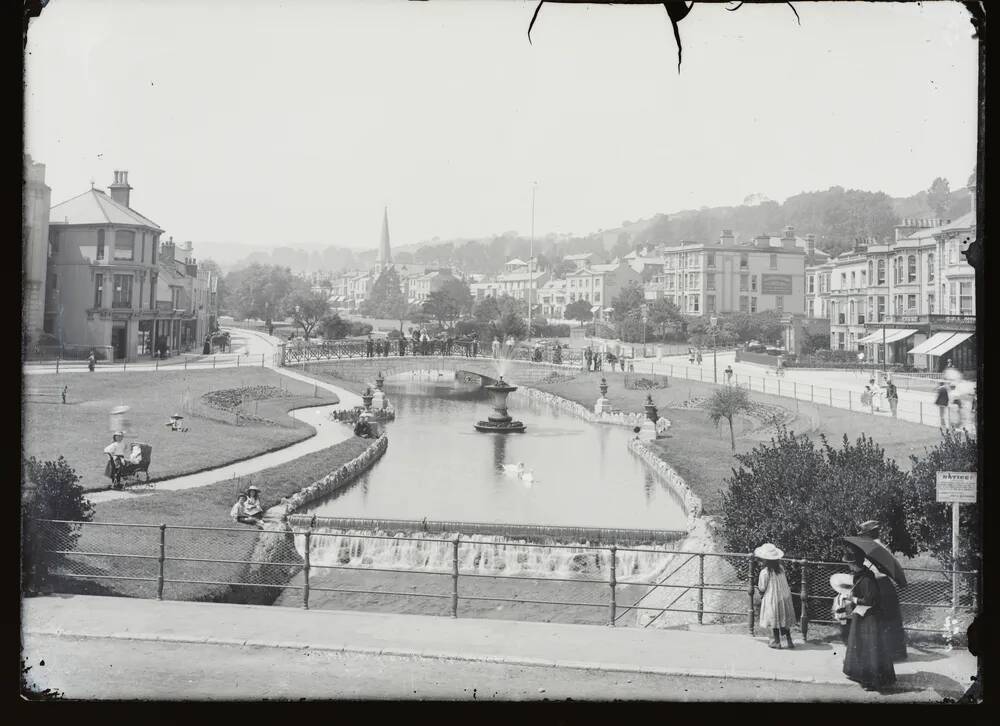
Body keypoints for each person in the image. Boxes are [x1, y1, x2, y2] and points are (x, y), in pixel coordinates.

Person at [841, 550, 896, 691]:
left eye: (850, 564)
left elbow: (870, 600)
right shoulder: (860, 576)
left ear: (855, 564)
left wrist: (852, 599)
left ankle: (871, 681)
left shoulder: (867, 579)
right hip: (861, 615)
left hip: (870, 618)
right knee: (859, 645)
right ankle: (859, 673)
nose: (849, 567)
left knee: (869, 648)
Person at [754, 543, 797, 649]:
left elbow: (762, 587)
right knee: (783, 618)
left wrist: (760, 591)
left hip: (772, 597)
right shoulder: (781, 568)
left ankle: (776, 641)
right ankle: (789, 640)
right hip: (783, 596)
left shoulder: (765, 572)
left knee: (774, 619)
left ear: (765, 560)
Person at [830, 573, 855, 645]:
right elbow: (836, 605)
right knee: (844, 631)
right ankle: (846, 641)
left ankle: (848, 643)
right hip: (841, 616)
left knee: (847, 631)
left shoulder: (848, 594)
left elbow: (849, 605)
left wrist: (844, 608)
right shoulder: (839, 595)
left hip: (847, 616)